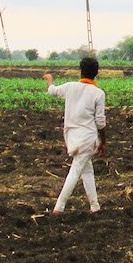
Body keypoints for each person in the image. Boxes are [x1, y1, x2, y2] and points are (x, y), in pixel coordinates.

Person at [43, 56, 107, 214]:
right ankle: (59, 206)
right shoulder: (98, 93)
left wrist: (50, 80)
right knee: (78, 169)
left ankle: (95, 206)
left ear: (81, 71)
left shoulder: (70, 87)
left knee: (86, 169)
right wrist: (103, 141)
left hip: (72, 136)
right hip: (88, 138)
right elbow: (100, 122)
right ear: (96, 73)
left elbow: (53, 90)